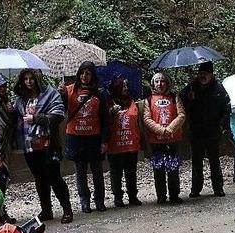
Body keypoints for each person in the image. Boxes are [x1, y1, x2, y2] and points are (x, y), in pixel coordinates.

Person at [14, 69, 73, 224]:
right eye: (25, 79)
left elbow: (58, 114)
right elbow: (17, 116)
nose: (29, 82)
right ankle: (46, 210)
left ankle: (67, 209)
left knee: (54, 177)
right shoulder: (20, 99)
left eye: (32, 78)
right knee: (39, 178)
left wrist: (37, 118)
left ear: (38, 79)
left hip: (48, 143)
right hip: (29, 144)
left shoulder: (50, 94)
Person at [62, 62, 109, 213]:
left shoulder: (99, 93)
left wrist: (104, 140)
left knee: (97, 171)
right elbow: (61, 109)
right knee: (80, 172)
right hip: (75, 137)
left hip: (94, 137)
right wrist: (60, 93)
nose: (84, 76)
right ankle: (84, 201)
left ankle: (100, 200)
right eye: (82, 73)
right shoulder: (69, 90)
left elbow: (105, 118)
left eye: (88, 73)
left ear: (92, 75)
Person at [180, 62, 231, 197]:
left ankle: (218, 187)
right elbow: (181, 105)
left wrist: (222, 125)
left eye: (206, 74)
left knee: (214, 160)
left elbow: (226, 108)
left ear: (211, 75)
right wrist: (189, 99)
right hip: (195, 130)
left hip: (213, 130)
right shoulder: (191, 87)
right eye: (201, 74)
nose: (203, 76)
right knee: (196, 161)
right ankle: (195, 188)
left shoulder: (219, 89)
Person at [143, 73, 186, 204]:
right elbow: (146, 118)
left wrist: (170, 129)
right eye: (157, 81)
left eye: (162, 81)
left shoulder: (174, 97)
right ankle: (161, 195)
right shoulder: (148, 100)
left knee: (173, 168)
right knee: (158, 169)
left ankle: (174, 194)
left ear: (167, 83)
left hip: (173, 139)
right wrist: (161, 130)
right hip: (156, 140)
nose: (160, 84)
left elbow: (182, 114)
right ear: (153, 84)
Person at [107, 77, 143, 207]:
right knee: (116, 173)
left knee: (131, 171)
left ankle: (133, 196)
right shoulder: (109, 103)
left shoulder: (132, 102)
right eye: (122, 87)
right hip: (114, 144)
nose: (125, 89)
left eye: (126, 86)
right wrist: (111, 113)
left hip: (130, 144)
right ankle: (118, 197)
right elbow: (104, 122)